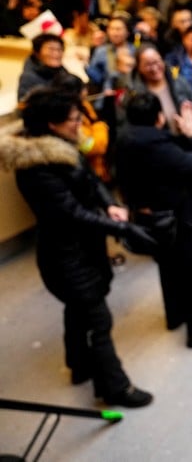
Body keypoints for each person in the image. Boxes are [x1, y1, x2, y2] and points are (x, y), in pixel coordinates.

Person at [0, 88, 154, 407]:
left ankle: (79, 365)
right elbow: (71, 213)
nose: (79, 124)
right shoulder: (36, 167)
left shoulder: (62, 146)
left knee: (78, 310)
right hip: (66, 257)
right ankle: (116, 388)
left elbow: (91, 181)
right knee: (98, 320)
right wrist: (122, 228)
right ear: (52, 124)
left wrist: (109, 204)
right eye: (73, 119)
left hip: (80, 249)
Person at [113, 92, 192, 348]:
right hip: (183, 218)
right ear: (158, 117)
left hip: (154, 218)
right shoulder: (158, 146)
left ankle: (175, 316)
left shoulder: (125, 140)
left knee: (169, 267)